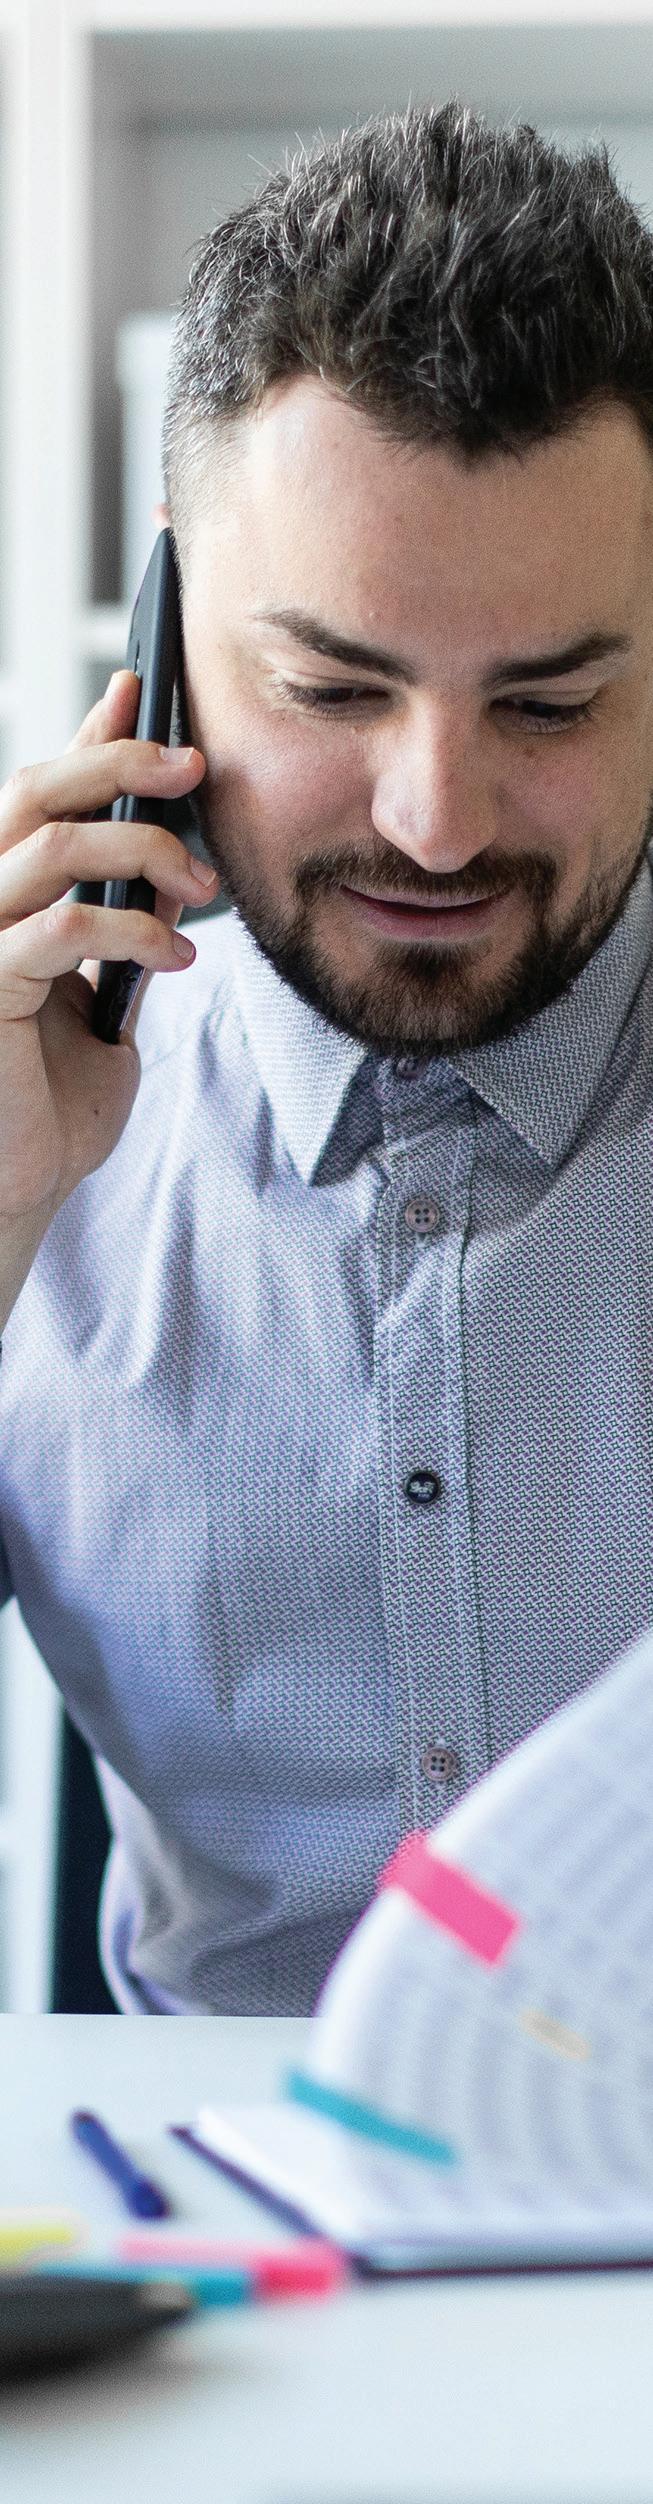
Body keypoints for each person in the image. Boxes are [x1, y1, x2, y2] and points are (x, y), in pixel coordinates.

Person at [2, 99, 653, 2015]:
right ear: (167, 640)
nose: (434, 820)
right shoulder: (36, 1098)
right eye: (330, 687)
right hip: (197, 2182)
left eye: (549, 702)